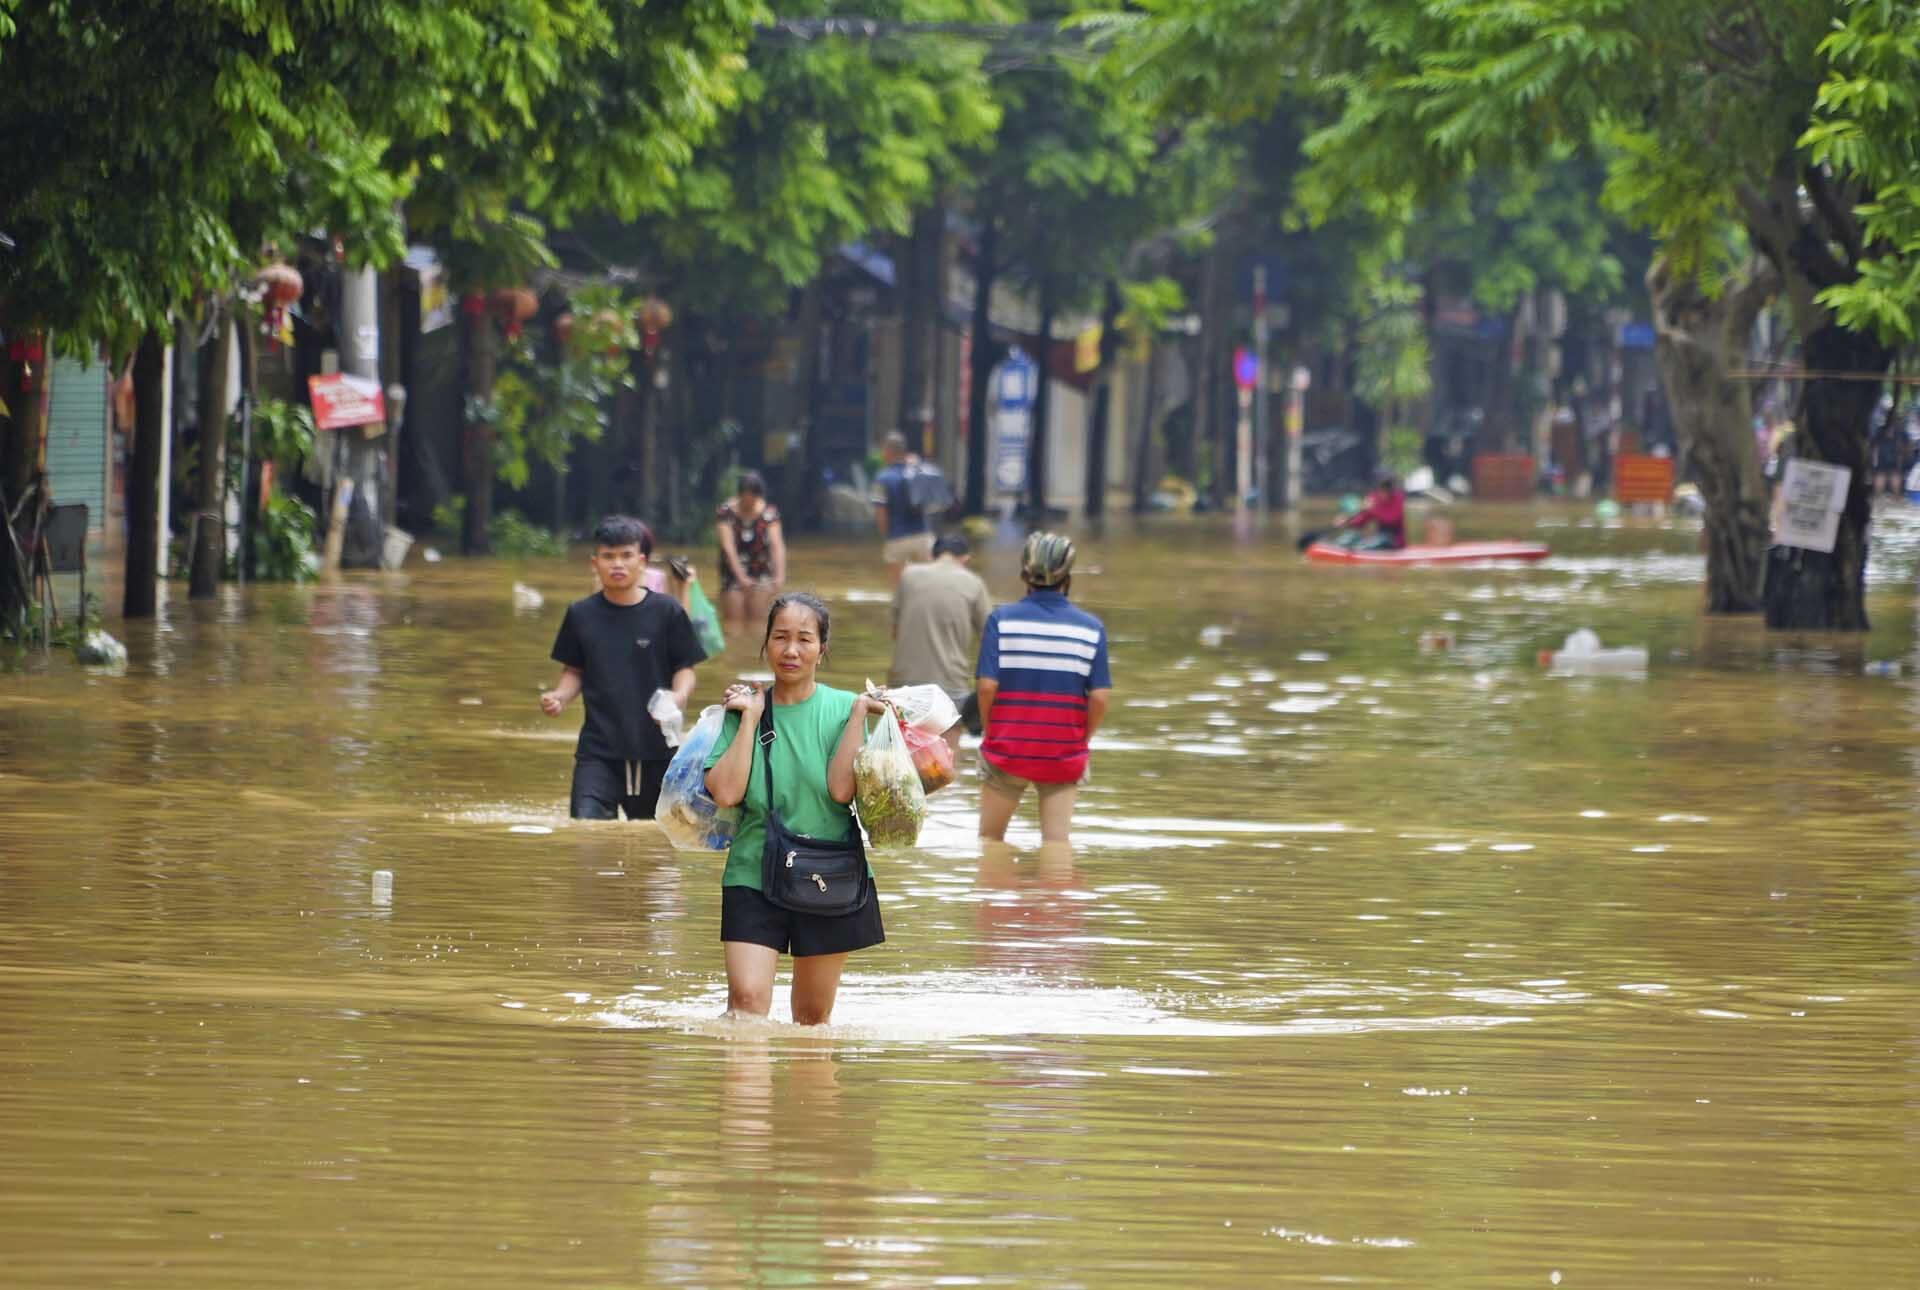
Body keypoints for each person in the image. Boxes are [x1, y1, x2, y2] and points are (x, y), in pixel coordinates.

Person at [703, 592, 889, 1025]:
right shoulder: (743, 709)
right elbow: (726, 793)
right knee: (746, 1004)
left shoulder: (846, 707)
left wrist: (861, 714)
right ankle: (746, 1093)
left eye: (805, 639)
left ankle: (809, 1095)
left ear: (822, 649)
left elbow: (842, 791)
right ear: (765, 644)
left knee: (812, 1017)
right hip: (753, 871)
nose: (791, 650)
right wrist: (749, 718)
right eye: (780, 637)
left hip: (830, 874)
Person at [541, 516, 706, 820]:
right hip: (598, 752)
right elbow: (574, 670)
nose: (617, 564)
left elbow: (686, 667)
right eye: (608, 556)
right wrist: (561, 697)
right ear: (595, 563)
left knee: (655, 847)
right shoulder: (580, 615)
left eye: (626, 555)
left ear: (641, 561)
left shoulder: (667, 611)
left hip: (657, 751)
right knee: (586, 833)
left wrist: (678, 698)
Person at [976, 532, 1113, 846]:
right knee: (1056, 844)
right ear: (1067, 575)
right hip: (1062, 753)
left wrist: (990, 732)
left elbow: (986, 687)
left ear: (1025, 573)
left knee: (990, 841)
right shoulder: (1091, 628)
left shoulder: (1001, 620)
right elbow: (1101, 697)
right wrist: (1082, 739)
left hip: (1007, 749)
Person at [889, 531, 993, 754]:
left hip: (904, 689)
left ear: (932, 556)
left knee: (902, 768)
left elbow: (895, 631)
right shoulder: (973, 583)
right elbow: (991, 639)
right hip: (950, 688)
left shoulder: (909, 576)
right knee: (942, 769)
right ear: (965, 559)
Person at [715, 470, 786, 629]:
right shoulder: (725, 513)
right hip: (732, 574)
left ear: (759, 496)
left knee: (758, 625)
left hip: (761, 573)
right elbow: (728, 547)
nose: (749, 503)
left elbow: (777, 546)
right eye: (745, 499)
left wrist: (779, 576)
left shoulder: (769, 514)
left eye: (752, 499)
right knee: (733, 624)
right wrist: (741, 577)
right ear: (739, 495)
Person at [871, 431, 933, 585]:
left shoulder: (882, 478)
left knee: (899, 589)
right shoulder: (918, 471)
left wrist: (887, 535)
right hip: (923, 536)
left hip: (897, 537)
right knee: (928, 585)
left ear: (887, 451)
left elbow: (880, 513)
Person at [1337, 471, 1407, 550]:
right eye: (1382, 488)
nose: (1384, 492)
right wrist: (1347, 522)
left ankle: (1362, 549)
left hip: (1395, 541)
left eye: (1388, 488)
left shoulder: (1399, 499)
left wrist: (1372, 509)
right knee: (1351, 538)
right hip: (1379, 537)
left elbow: (1393, 519)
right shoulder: (1374, 497)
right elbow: (1361, 521)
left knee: (1378, 540)